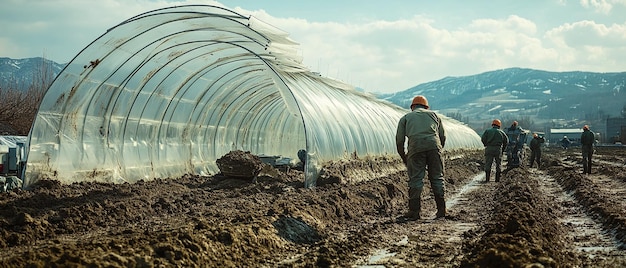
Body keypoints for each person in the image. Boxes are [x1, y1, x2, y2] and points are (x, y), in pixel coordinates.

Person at [396, 95, 447, 220]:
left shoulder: (406, 118)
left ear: (412, 107)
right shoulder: (434, 115)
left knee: (416, 179)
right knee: (437, 177)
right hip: (434, 147)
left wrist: (404, 156)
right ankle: (441, 209)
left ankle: (414, 211)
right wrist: (438, 149)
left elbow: (399, 140)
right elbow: (443, 136)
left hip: (416, 148)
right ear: (426, 106)